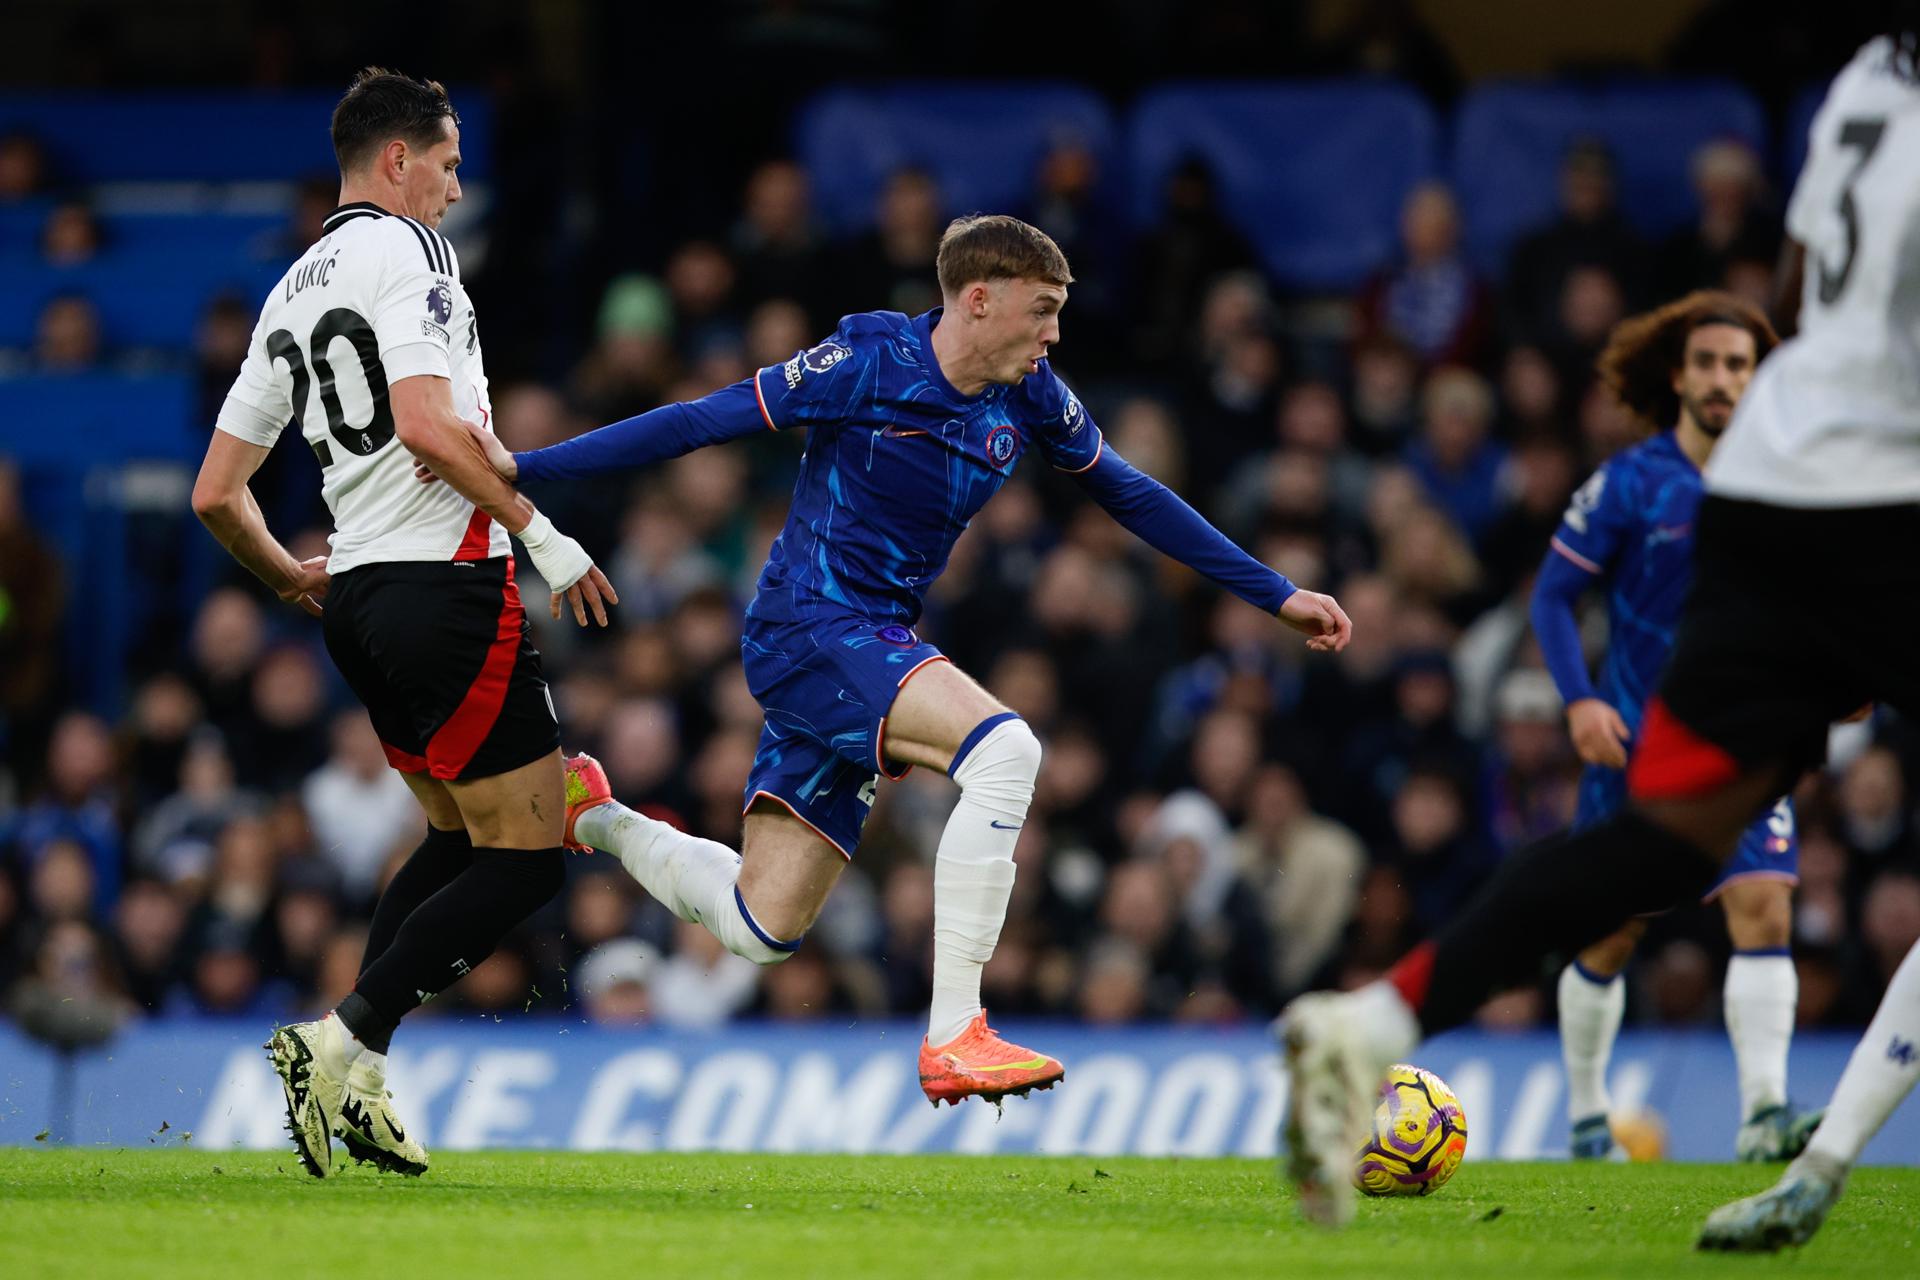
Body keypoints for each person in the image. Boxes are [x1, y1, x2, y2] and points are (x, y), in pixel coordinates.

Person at [431, 214, 1352, 1106]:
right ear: (979, 300)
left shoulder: (1030, 394)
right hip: (811, 627)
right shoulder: (867, 363)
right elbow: (696, 422)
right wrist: (530, 469)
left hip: (870, 641)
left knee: (761, 927)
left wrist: (1275, 593)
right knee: (1007, 751)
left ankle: (596, 816)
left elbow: (1129, 492)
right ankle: (957, 1030)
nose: (1055, 333)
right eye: (1042, 309)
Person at [1277, 28, 1920, 1233]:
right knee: (1646, 885)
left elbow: (1795, 293)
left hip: (1777, 499)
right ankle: (1812, 1158)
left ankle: (1370, 1021)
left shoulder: (1871, 80)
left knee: (1664, 848)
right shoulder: (1629, 481)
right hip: (1886, 507)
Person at [189, 67, 614, 1180]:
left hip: (363, 602)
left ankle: (362, 1076)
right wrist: (540, 530)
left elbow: (214, 491)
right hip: (448, 586)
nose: (456, 188)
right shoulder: (411, 253)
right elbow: (429, 424)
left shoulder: (289, 288)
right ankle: (335, 1040)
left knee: (459, 839)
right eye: (448, 163)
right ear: (396, 160)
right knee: (527, 863)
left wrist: (291, 577)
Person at [1529, 290, 1820, 1161]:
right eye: (1708, 362)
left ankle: (1766, 1114)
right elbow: (1551, 595)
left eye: (1739, 363)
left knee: (1764, 904)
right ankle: (1587, 1119)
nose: (1724, 378)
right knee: (1613, 932)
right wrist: (1580, 700)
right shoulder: (1630, 481)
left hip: (1742, 745)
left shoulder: (1787, 482)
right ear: (1678, 374)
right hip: (1637, 752)